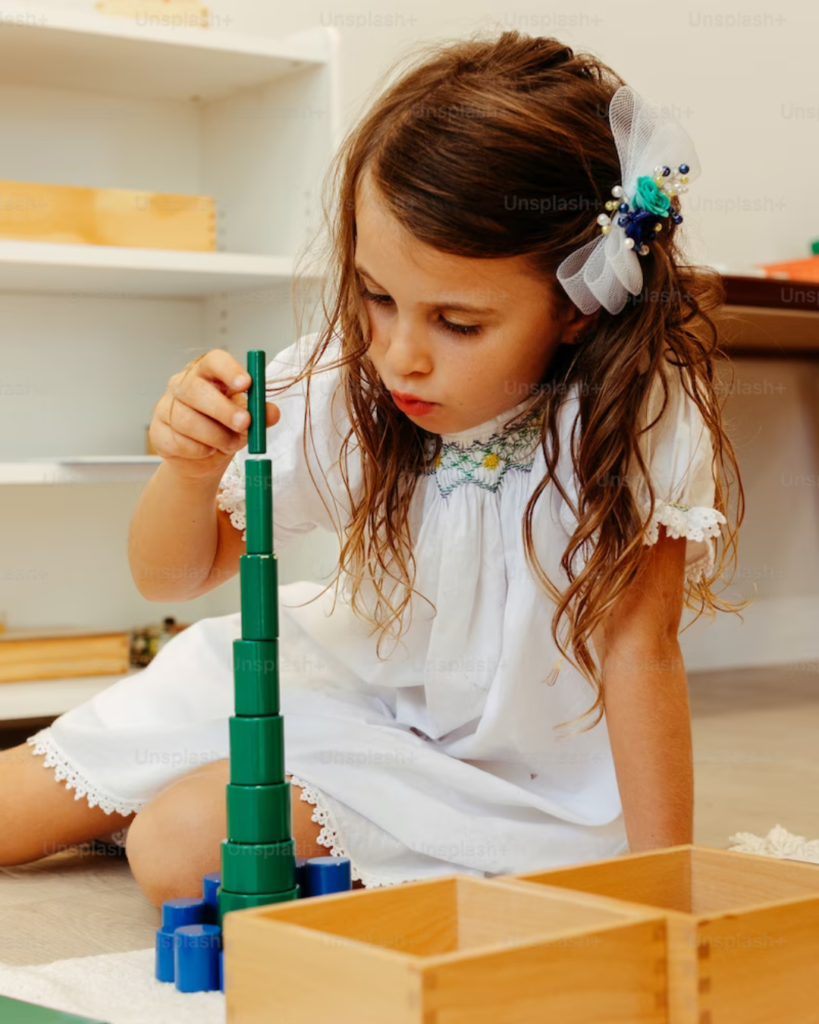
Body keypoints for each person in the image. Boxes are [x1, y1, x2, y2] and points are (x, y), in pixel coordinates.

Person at [0, 30, 746, 907]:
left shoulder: (633, 414)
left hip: (499, 776)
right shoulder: (337, 382)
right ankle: (133, 797)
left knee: (179, 850)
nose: (399, 356)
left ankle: (153, 810)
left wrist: (664, 887)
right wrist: (187, 469)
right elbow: (172, 573)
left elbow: (639, 651)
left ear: (578, 307)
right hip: (328, 689)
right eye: (376, 296)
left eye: (457, 323)